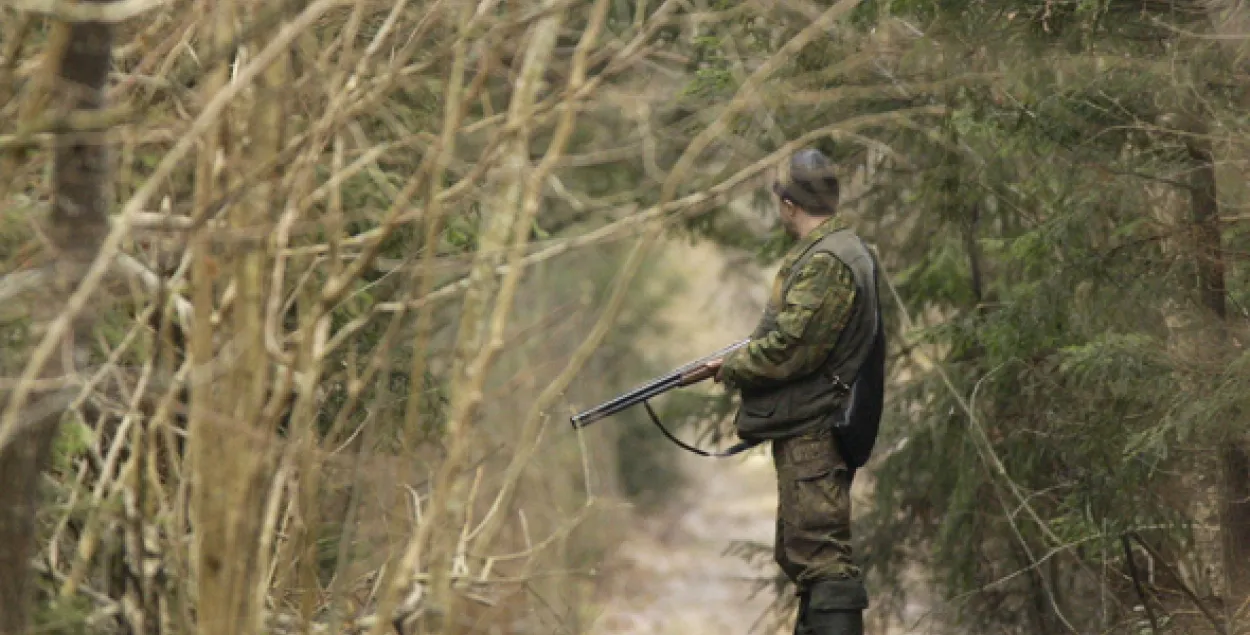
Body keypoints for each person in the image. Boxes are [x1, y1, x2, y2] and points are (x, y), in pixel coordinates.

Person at [703, 148, 885, 635]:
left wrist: (735, 365)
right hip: (814, 424)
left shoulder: (828, 260)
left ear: (788, 205)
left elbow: (791, 348)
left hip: (816, 429)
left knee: (823, 560)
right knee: (804, 555)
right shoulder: (836, 252)